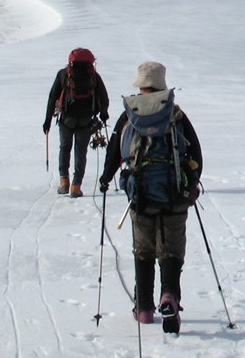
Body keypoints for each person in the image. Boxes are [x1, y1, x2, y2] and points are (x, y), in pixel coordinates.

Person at [99, 61, 202, 333]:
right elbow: (196, 153)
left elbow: (114, 152)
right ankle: (169, 296)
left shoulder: (130, 115)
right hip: (175, 195)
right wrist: (192, 182)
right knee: (171, 250)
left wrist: (105, 179)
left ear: (141, 85)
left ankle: (144, 308)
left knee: (143, 250)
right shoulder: (175, 114)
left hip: (141, 196)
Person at [43, 47, 110, 198]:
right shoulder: (93, 76)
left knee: (64, 147)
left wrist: (47, 120)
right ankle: (76, 186)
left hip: (67, 119)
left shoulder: (63, 75)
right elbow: (103, 97)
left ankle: (63, 182)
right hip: (86, 120)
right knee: (81, 151)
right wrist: (104, 114)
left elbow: (52, 97)